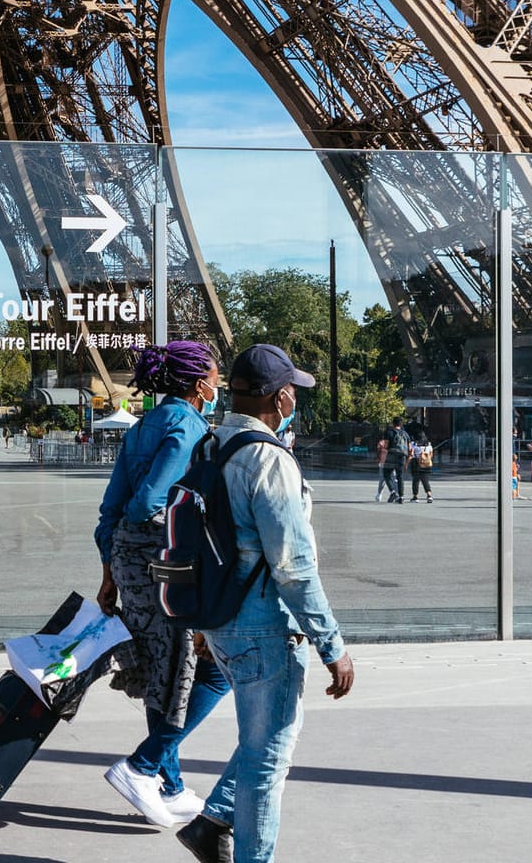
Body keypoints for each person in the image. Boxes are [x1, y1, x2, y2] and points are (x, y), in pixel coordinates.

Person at [177, 345, 354, 863]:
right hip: (263, 625)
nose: (295, 396)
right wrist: (333, 646)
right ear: (280, 398)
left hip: (221, 618)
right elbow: (294, 568)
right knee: (267, 759)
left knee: (264, 740)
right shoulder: (268, 459)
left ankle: (212, 824)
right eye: (292, 389)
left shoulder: (210, 446)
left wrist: (204, 625)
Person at [94, 340, 229, 828]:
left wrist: (109, 573)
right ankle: (143, 766)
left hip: (131, 562)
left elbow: (111, 509)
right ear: (198, 384)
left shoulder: (143, 424)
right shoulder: (189, 426)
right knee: (201, 670)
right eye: (215, 376)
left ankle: (167, 783)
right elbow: (150, 500)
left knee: (165, 672)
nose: (219, 384)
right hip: (163, 559)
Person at [385, 416, 411, 504]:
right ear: (401, 424)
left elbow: (386, 445)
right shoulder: (406, 434)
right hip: (402, 456)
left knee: (386, 474)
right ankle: (401, 497)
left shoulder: (389, 432)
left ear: (393, 423)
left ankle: (393, 492)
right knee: (400, 476)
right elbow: (410, 448)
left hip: (392, 455)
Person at [408, 430, 434, 504]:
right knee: (425, 480)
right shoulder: (428, 445)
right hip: (426, 464)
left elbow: (411, 455)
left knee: (416, 480)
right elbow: (431, 454)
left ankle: (415, 497)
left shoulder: (414, 444)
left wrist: (406, 464)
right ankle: (429, 495)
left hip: (416, 464)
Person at [372, 432, 390, 502]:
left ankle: (379, 494)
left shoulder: (381, 442)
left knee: (382, 479)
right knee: (394, 479)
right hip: (392, 462)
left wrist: (378, 459)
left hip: (383, 462)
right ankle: (396, 493)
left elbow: (378, 452)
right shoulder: (393, 441)